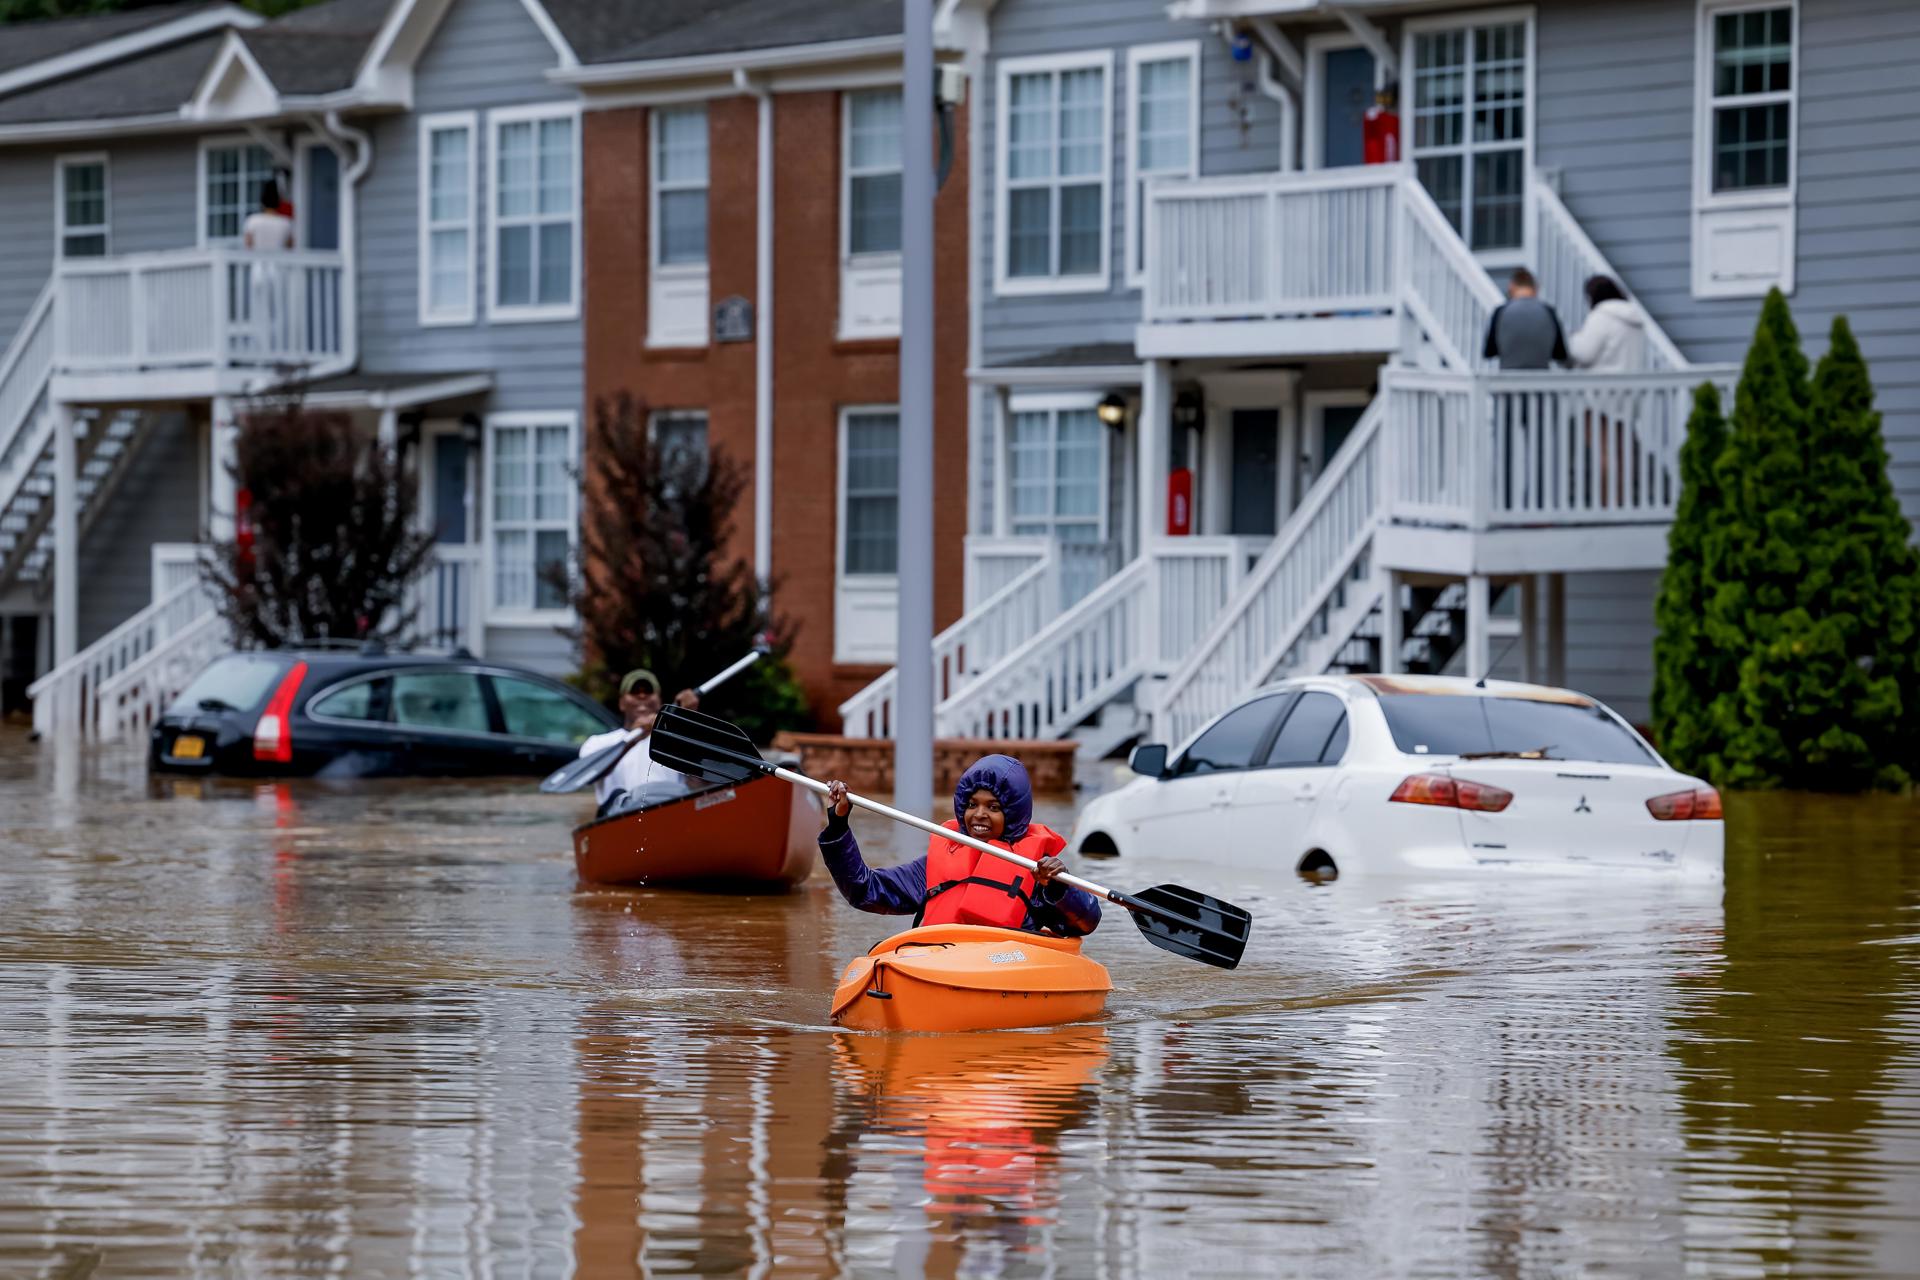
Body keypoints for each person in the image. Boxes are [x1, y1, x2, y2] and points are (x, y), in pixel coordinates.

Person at [818, 755, 1101, 937]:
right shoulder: (934, 866)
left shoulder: (1038, 871)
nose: (979, 815)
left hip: (1006, 969)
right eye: (972, 804)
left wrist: (1058, 887)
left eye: (993, 807)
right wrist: (838, 824)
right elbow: (864, 890)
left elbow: (1085, 922)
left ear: (1013, 813)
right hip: (940, 963)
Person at [575, 668, 702, 816]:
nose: (642, 695)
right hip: (619, 818)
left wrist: (689, 720)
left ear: (659, 701)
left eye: (649, 691)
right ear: (622, 703)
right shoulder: (598, 743)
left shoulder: (678, 740)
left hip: (669, 815)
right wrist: (633, 740)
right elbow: (586, 777)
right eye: (634, 692)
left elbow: (701, 786)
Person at [1482, 268, 1568, 369]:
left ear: (1511, 287)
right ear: (1536, 288)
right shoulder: (1549, 311)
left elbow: (1489, 352)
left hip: (1509, 376)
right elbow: (1560, 354)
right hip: (1540, 376)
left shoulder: (1500, 312)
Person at [1566, 274, 1647, 371]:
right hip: (1633, 379)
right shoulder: (1634, 317)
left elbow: (1584, 354)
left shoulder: (1600, 316)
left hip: (1604, 379)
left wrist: (1573, 340)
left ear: (1592, 296)